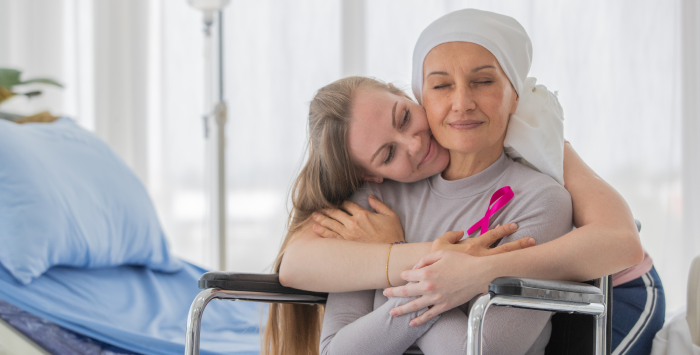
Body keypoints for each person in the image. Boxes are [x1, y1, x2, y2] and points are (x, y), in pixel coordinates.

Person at [265, 9, 663, 355]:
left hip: (620, 284)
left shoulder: (543, 171)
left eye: (404, 118)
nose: (415, 143)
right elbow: (334, 341)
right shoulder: (375, 205)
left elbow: (481, 348)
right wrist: (424, 268)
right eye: (441, 86)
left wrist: (464, 274)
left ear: (515, 94)